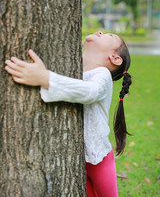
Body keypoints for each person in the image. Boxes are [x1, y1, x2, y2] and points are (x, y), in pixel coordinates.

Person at [5, 31, 132, 197]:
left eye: (109, 35)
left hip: (99, 158)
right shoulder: (76, 68)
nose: (101, 31)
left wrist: (45, 78)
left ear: (115, 58)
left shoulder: (102, 75)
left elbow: (89, 92)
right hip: (78, 157)